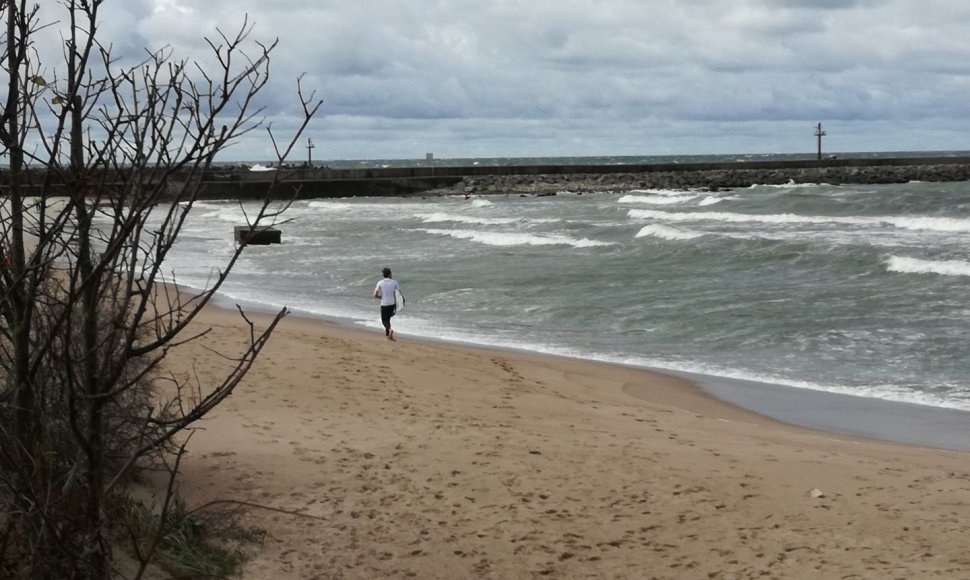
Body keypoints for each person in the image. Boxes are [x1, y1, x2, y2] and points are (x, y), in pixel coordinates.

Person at [373, 266, 404, 341]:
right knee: (388, 320)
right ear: (390, 274)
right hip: (392, 304)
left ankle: (389, 330)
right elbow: (399, 294)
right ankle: (389, 336)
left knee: (384, 320)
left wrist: (380, 297)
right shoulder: (395, 282)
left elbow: (375, 295)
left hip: (384, 304)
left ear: (383, 274)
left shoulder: (380, 283)